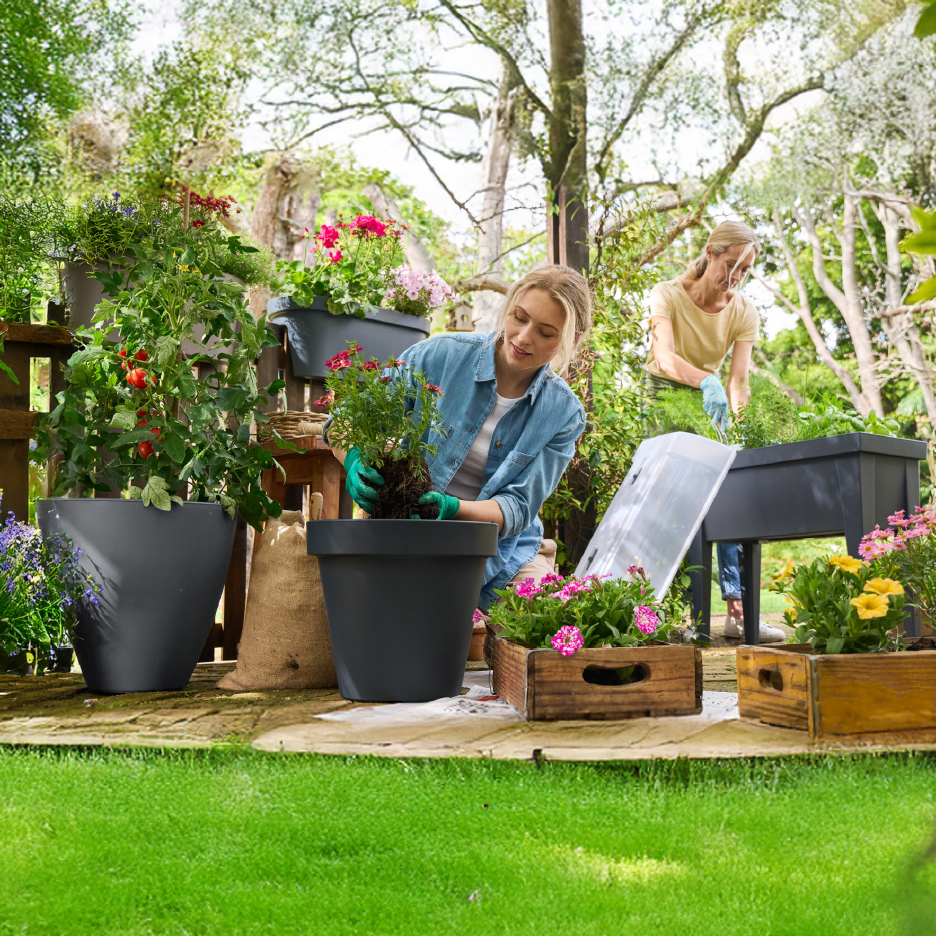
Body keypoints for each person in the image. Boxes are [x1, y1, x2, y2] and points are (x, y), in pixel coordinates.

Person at [331, 264, 592, 611]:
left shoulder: (563, 414)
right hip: (406, 531)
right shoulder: (440, 356)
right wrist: (353, 459)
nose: (524, 337)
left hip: (503, 555)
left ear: (569, 340)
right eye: (519, 317)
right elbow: (344, 422)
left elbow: (519, 507)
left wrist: (452, 509)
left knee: (539, 625)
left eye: (546, 332)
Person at [643, 220, 784, 643]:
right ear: (710, 253)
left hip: (711, 399)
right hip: (664, 392)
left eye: (744, 270)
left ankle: (737, 613)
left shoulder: (743, 311)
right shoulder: (666, 294)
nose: (735, 277)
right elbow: (664, 357)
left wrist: (740, 428)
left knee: (728, 492)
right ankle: (664, 615)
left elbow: (738, 381)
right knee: (674, 499)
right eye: (730, 264)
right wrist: (706, 379)